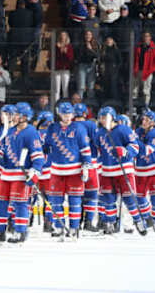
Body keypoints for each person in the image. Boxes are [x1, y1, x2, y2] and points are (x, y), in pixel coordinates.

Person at [0, 102, 44, 244]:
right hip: (6, 174)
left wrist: (35, 172)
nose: (14, 117)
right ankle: (0, 232)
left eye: (17, 115)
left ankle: (21, 231)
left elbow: (38, 156)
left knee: (20, 204)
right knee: (0, 202)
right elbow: (4, 150)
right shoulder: (10, 131)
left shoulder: (31, 132)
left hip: (21, 176)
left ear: (26, 117)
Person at [94, 106, 146, 236]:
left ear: (112, 117)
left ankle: (138, 221)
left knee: (129, 199)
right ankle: (110, 224)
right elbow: (96, 150)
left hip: (124, 171)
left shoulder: (123, 129)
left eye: (104, 117)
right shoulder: (100, 133)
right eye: (100, 117)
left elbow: (135, 146)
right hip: (107, 171)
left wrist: (124, 151)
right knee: (108, 199)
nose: (102, 120)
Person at [44, 102, 91, 238]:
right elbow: (46, 146)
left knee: (74, 202)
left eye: (69, 113)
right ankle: (59, 227)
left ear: (73, 114)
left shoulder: (79, 128)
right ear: (59, 114)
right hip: (56, 171)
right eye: (64, 114)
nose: (66, 116)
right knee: (55, 201)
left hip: (74, 171)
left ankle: (74, 228)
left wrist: (86, 165)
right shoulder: (52, 128)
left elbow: (85, 148)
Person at [135, 110, 155, 233]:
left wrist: (134, 142)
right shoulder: (138, 131)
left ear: (153, 122)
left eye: (147, 120)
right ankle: (148, 218)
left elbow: (147, 150)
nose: (144, 121)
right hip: (141, 169)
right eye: (143, 119)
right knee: (139, 196)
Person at [73, 103, 100, 233]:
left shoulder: (70, 126)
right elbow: (97, 142)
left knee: (77, 195)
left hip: (73, 164)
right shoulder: (90, 125)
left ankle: (76, 222)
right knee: (91, 193)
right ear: (85, 114)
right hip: (90, 163)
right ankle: (88, 222)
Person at [34, 111, 54, 233]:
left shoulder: (33, 133)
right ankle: (48, 223)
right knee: (50, 199)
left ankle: (26, 221)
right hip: (48, 172)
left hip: (35, 171)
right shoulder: (53, 134)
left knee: (28, 198)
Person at [133, 31, 155, 105]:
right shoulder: (138, 47)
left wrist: (151, 70)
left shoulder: (154, 48)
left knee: (146, 90)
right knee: (134, 89)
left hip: (147, 72)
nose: (146, 38)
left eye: (147, 36)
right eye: (144, 36)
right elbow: (134, 58)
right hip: (137, 70)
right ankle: (134, 105)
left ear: (150, 37)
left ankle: (146, 105)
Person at [76, 30, 99, 99]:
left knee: (91, 86)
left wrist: (91, 49)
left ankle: (90, 102)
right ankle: (79, 102)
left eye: (89, 35)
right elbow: (78, 56)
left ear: (92, 36)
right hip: (82, 66)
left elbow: (97, 56)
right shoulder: (80, 44)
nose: (88, 36)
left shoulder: (95, 44)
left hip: (91, 66)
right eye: (87, 35)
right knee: (81, 86)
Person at [52, 31, 74, 102]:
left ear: (66, 37)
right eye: (61, 35)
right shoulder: (55, 46)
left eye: (64, 35)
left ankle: (65, 104)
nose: (62, 37)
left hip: (65, 69)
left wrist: (65, 52)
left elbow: (70, 58)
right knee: (56, 89)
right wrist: (59, 49)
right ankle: (56, 104)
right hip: (57, 69)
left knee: (65, 88)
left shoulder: (69, 46)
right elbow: (53, 57)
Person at [100, 36, 122, 101]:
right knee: (106, 86)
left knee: (113, 86)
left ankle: (114, 101)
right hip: (105, 71)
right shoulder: (103, 50)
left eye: (110, 40)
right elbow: (101, 60)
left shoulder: (116, 50)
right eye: (107, 40)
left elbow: (120, 61)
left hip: (113, 71)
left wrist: (116, 68)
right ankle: (105, 101)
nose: (109, 41)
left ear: (113, 41)